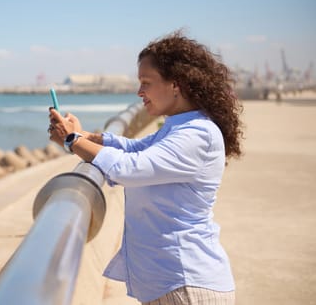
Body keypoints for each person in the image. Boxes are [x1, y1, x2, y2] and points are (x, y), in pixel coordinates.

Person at [47, 31, 243, 305]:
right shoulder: (179, 125)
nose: (140, 92)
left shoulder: (197, 134)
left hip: (186, 286)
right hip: (171, 284)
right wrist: (85, 137)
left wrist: (72, 140)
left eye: (146, 83)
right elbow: (135, 148)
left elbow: (130, 168)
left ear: (176, 85)